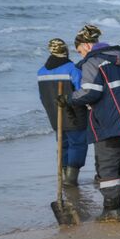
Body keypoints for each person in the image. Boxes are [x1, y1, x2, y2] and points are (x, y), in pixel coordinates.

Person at [69, 23, 120, 221]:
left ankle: (111, 210)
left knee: (108, 167)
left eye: (79, 51)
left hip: (108, 124)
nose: (80, 55)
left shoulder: (93, 62)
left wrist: (69, 99)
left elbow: (90, 92)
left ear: (86, 45)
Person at [36, 37, 89, 188]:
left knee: (63, 144)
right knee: (77, 144)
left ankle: (65, 176)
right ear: (65, 51)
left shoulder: (41, 72)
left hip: (54, 114)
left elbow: (42, 97)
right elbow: (81, 92)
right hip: (74, 114)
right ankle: (71, 180)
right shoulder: (72, 69)